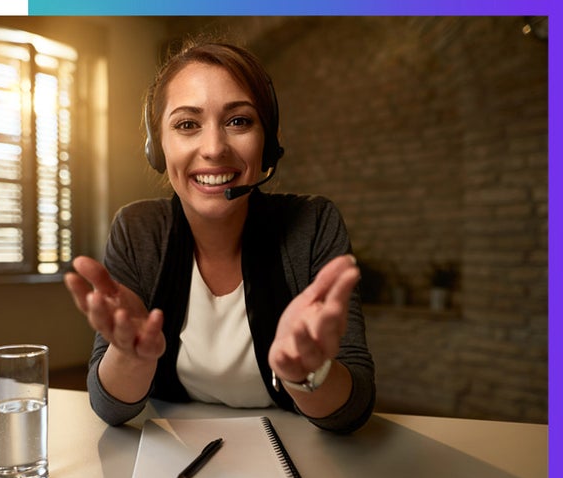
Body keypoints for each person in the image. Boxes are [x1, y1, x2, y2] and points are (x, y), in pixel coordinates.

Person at [64, 39, 375, 433]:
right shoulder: (137, 229)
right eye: (187, 125)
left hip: (294, 448)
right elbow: (112, 410)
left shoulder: (313, 223)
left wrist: (307, 373)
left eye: (239, 121)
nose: (213, 149)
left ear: (268, 143)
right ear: (157, 147)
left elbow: (353, 408)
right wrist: (131, 357)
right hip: (174, 452)